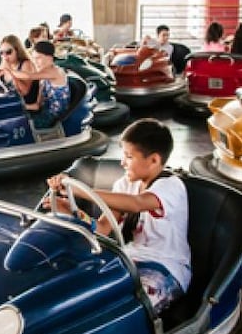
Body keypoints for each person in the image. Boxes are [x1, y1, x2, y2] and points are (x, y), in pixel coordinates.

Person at [45, 119, 190, 314]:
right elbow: (103, 229)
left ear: (154, 160)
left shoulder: (171, 186)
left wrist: (77, 189)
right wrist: (71, 211)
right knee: (78, 292)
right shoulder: (124, 185)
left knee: (122, 309)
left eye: (129, 157)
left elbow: (137, 203)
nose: (122, 162)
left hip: (165, 269)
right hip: (128, 260)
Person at [5, 40, 69, 128]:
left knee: (18, 126)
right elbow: (37, 106)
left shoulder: (56, 71)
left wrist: (7, 70)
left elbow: (28, 76)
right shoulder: (42, 78)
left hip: (55, 117)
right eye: (34, 58)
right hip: (43, 113)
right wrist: (18, 106)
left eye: (38, 58)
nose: (35, 62)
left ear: (49, 57)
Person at [0, 34, 39, 106]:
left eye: (8, 52)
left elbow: (25, 92)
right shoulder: (4, 65)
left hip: (24, 106)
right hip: (10, 102)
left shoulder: (26, 64)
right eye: (2, 53)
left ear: (17, 50)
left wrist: (8, 71)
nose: (5, 56)